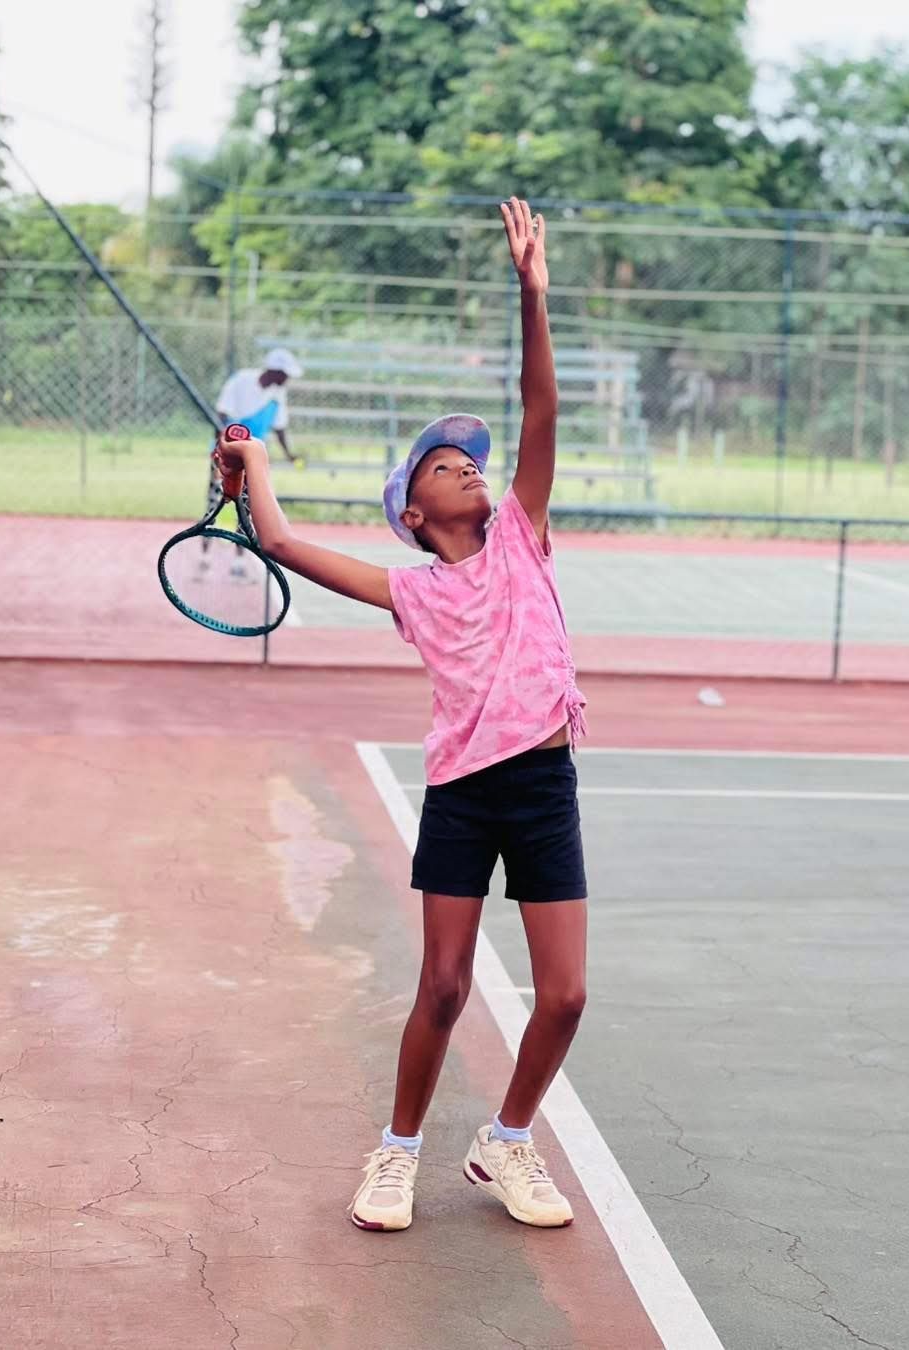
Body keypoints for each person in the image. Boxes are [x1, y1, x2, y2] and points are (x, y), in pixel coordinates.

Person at [214, 198, 588, 1232]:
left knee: (565, 998)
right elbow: (284, 543)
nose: (467, 461)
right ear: (415, 515)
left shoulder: (523, 533)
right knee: (445, 986)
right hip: (464, 792)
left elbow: (539, 404)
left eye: (470, 455)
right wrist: (250, 466)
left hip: (545, 780)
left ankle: (505, 1141)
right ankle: (398, 1151)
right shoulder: (411, 588)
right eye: (440, 462)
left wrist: (533, 291)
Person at [199, 347, 304, 579]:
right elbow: (222, 414)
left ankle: (238, 559)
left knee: (246, 507)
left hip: (254, 459)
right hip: (226, 454)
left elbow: (280, 427)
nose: (287, 379)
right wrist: (228, 445)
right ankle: (205, 556)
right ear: (275, 371)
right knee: (214, 501)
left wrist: (290, 455)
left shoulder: (278, 395)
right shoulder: (241, 381)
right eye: (285, 374)